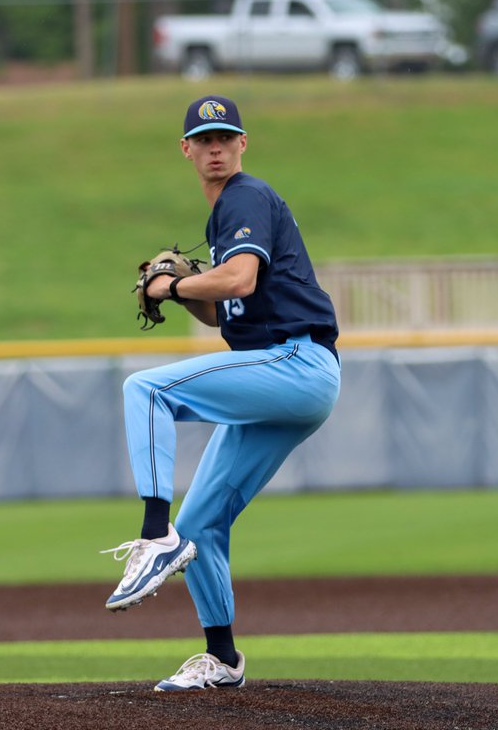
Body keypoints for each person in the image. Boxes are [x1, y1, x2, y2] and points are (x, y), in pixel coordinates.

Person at [101, 95, 342, 692]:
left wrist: (168, 282)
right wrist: (180, 287)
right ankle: (223, 658)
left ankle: (154, 533)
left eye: (225, 137)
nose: (215, 148)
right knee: (203, 526)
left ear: (242, 145)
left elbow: (239, 279)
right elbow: (219, 311)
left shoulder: (246, 196)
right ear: (186, 149)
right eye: (204, 139)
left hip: (295, 361)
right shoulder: (226, 221)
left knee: (146, 390)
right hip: (286, 381)